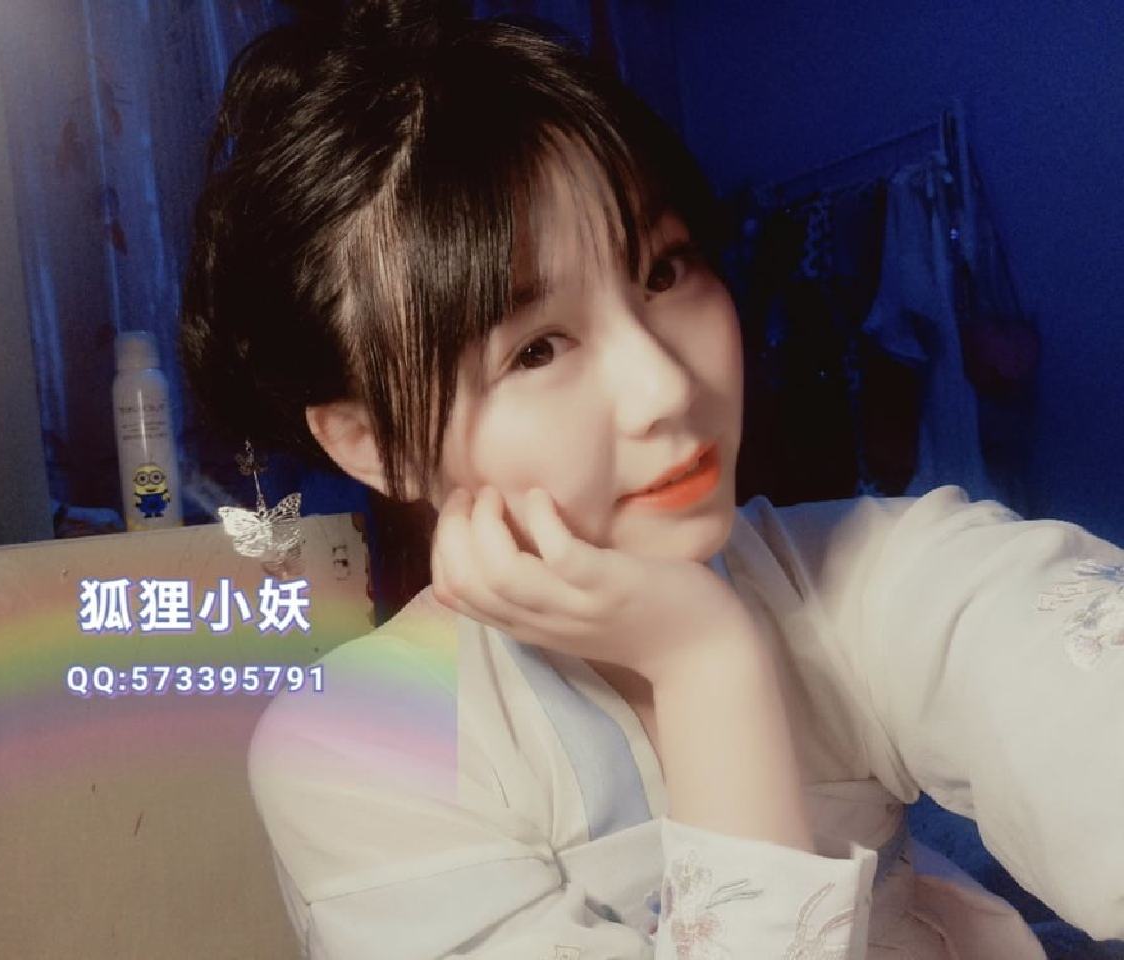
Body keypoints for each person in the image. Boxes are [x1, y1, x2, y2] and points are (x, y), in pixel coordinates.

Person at [179, 2, 1124, 956]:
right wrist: (706, 662)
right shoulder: (358, 748)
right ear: (371, 441)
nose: (667, 386)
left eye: (665, 272)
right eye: (537, 348)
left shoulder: (872, 571)